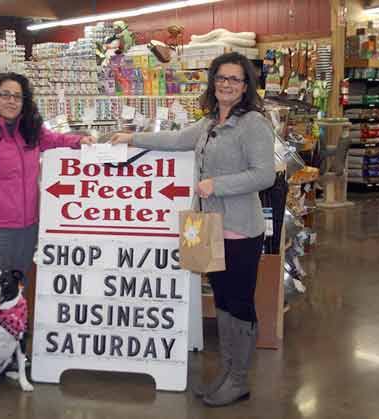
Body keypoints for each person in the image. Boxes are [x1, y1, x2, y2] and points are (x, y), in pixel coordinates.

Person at [111, 52, 275, 407]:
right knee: (223, 301)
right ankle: (228, 372)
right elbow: (176, 140)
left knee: (239, 302)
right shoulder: (210, 122)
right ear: (213, 82)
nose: (226, 85)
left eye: (234, 79)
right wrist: (132, 138)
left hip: (241, 230)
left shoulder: (254, 124)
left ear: (246, 86)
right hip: (209, 228)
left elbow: (264, 174)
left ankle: (239, 378)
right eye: (221, 78)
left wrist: (217, 185)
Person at [0, 72, 95, 320]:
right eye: (5, 95)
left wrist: (79, 141)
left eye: (18, 97)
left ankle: (14, 348)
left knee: (17, 290)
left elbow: (54, 139)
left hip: (27, 228)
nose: (11, 101)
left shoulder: (30, 132)